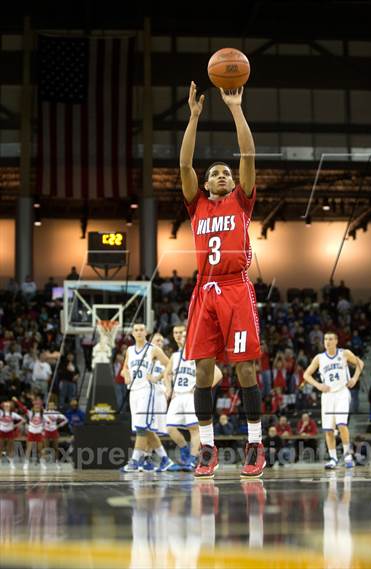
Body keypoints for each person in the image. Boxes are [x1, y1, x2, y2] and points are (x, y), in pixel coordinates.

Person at [180, 80, 264, 479]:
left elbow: (247, 153)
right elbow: (183, 165)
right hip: (205, 292)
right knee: (202, 372)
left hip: (235, 289)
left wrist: (235, 108)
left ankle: (254, 443)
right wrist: (194, 117)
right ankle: (208, 450)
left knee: (245, 371)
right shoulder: (196, 205)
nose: (221, 176)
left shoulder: (241, 201)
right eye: (215, 174)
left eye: (226, 173)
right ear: (206, 183)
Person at [164, 324, 222, 471]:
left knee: (193, 429)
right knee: (170, 428)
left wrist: (201, 388)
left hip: (191, 396)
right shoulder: (175, 356)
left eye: (182, 333)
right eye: (175, 333)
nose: (178, 336)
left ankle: (192, 458)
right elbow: (167, 373)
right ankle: (185, 453)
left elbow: (218, 373)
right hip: (177, 396)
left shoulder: (197, 352)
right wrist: (169, 389)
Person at [303, 331, 364, 469]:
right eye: (325, 339)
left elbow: (360, 363)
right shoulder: (319, 358)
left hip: (342, 392)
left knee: (341, 424)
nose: (327, 341)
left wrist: (354, 378)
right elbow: (306, 374)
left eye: (330, 339)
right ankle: (333, 458)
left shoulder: (344, 353)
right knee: (328, 430)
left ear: (336, 341)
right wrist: (318, 385)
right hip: (328, 395)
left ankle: (348, 455)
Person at [120, 323, 173, 473]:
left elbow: (170, 364)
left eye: (141, 330)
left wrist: (157, 377)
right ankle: (164, 459)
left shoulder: (153, 349)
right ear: (132, 333)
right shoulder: (130, 350)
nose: (138, 332)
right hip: (134, 391)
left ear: (146, 332)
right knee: (143, 427)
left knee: (141, 427)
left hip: (146, 391)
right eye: (136, 330)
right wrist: (126, 374)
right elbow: (125, 368)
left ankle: (135, 460)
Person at [43, 400, 68, 468]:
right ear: (48, 406)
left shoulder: (57, 413)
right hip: (47, 431)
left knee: (56, 447)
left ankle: (57, 462)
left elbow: (66, 420)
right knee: (46, 447)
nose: (51, 406)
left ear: (54, 406)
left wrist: (59, 425)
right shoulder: (44, 413)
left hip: (54, 430)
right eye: (49, 405)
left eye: (52, 405)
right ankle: (44, 463)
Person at [0, 400, 25, 469]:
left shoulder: (13, 414)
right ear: (3, 406)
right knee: (0, 447)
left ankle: (11, 463)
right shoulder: (1, 413)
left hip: (10, 432)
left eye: (8, 406)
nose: (7, 407)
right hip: (1, 432)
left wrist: (15, 425)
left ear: (10, 407)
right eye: (5, 406)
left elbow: (23, 420)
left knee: (10, 448)